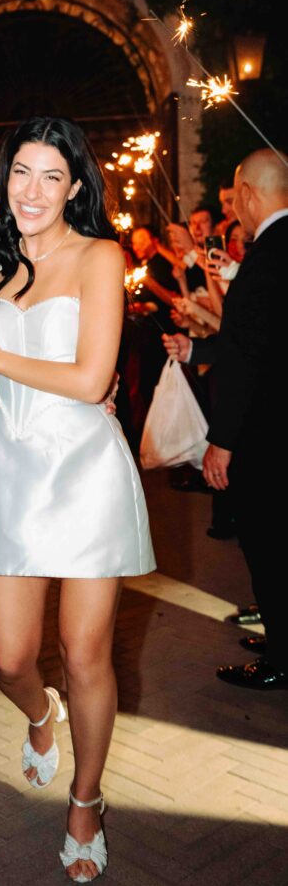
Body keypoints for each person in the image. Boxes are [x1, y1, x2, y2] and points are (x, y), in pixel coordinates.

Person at [0, 117, 156, 883]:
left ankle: (85, 801)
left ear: (73, 188)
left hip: (84, 469)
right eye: (21, 173)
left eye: (51, 176)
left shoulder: (100, 256)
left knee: (85, 651)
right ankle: (40, 714)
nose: (32, 190)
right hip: (11, 470)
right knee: (7, 656)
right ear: (5, 181)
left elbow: (93, 380)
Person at [163, 148, 288, 689]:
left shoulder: (267, 255)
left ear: (250, 194)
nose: (234, 211)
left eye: (235, 200)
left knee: (268, 541)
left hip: (268, 429)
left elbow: (248, 355)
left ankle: (281, 657)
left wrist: (223, 439)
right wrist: (196, 350)